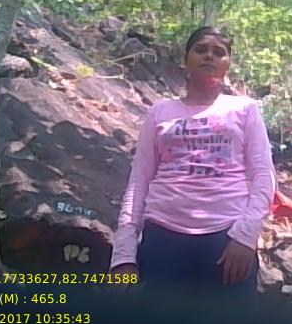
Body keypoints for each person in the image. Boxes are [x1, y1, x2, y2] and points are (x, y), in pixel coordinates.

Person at [109, 26, 276, 301]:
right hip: (162, 238)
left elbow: (263, 177)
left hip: (227, 239)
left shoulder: (244, 109)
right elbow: (139, 181)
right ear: (186, 59)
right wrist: (124, 254)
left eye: (218, 52)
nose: (209, 56)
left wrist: (245, 238)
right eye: (201, 49)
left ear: (227, 64)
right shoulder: (160, 112)